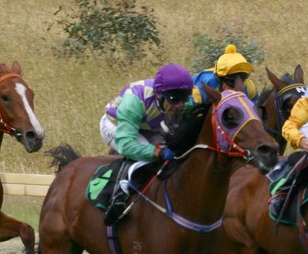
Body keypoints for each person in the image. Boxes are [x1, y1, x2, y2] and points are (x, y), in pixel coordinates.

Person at [99, 63, 194, 225]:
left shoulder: (186, 104)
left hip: (149, 127)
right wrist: (157, 153)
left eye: (184, 98)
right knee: (147, 157)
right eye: (174, 99)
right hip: (115, 126)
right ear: (159, 95)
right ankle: (118, 196)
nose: (180, 105)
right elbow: (126, 144)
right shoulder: (133, 101)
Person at [192, 44, 259, 104]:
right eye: (231, 83)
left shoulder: (249, 87)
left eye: (241, 81)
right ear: (219, 80)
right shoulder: (207, 84)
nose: (236, 89)